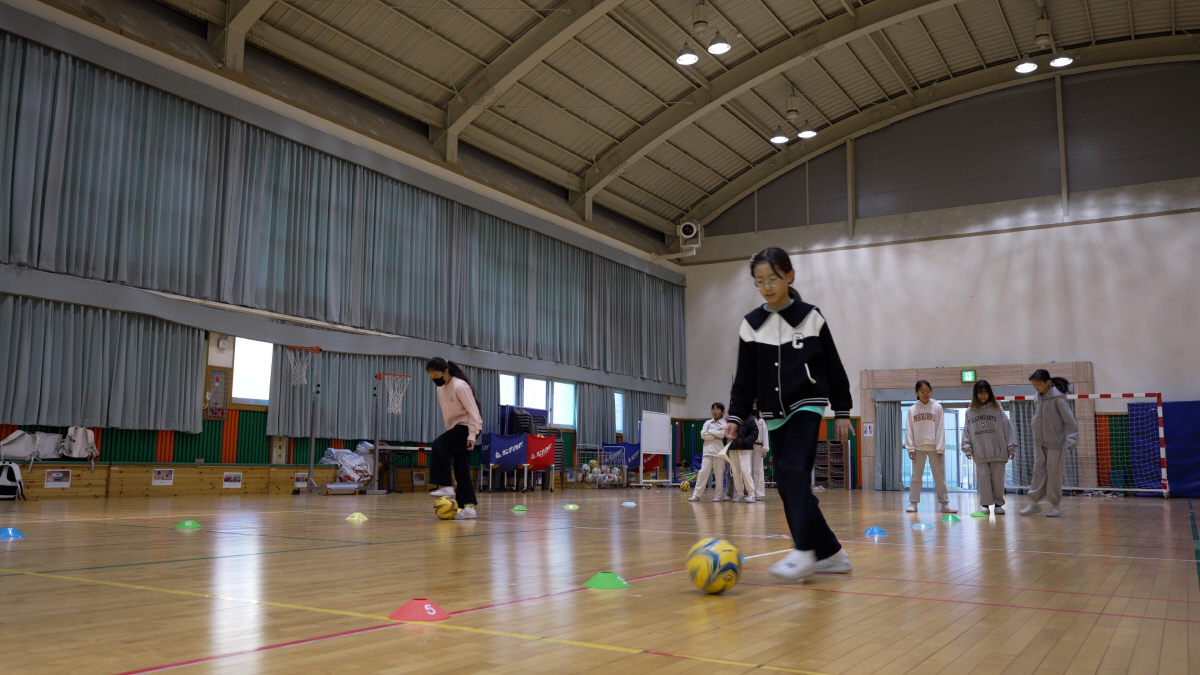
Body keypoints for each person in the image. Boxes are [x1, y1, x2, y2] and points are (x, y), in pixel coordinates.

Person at [725, 247, 854, 580]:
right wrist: (736, 416)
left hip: (807, 406)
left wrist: (842, 410)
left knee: (794, 471)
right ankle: (832, 553)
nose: (767, 286)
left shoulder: (811, 317)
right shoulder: (751, 325)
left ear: (790, 276)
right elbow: (745, 378)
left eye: (773, 278)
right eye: (760, 281)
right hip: (773, 414)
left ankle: (802, 551)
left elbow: (834, 367)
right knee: (786, 483)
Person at [426, 357, 482, 520]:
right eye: (432, 378)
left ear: (446, 371)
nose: (435, 380)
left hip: (467, 426)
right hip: (456, 429)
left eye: (437, 377)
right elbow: (448, 414)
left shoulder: (460, 386)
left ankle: (445, 487)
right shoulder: (441, 389)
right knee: (461, 466)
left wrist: (472, 434)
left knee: (438, 445)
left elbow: (474, 413)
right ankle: (469, 507)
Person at [1020, 370, 1078, 518]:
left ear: (1048, 382)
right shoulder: (1036, 398)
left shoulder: (1058, 399)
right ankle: (1034, 504)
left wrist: (1072, 439)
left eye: (1039, 383)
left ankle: (1055, 506)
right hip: (1039, 442)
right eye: (1034, 384)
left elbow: (1069, 421)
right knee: (1038, 472)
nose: (1037, 387)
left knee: (1054, 475)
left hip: (1055, 443)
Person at [961, 380, 1016, 515]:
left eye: (985, 393)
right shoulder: (969, 411)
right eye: (980, 393)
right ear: (975, 394)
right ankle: (985, 504)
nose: (983, 396)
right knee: (983, 478)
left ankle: (998, 505)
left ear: (990, 393)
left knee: (998, 479)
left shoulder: (998, 408)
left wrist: (1011, 447)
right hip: (980, 451)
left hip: (998, 450)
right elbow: (966, 430)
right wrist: (967, 448)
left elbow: (1007, 428)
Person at [904, 381, 956, 514]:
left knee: (939, 477)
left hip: (934, 448)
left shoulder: (937, 407)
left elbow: (940, 428)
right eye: (922, 392)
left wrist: (940, 448)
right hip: (918, 448)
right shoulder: (912, 409)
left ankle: (944, 504)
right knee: (916, 477)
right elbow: (909, 429)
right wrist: (910, 448)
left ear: (931, 391)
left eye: (927, 391)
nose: (925, 394)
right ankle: (913, 503)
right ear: (917, 393)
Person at [691, 403, 729, 502]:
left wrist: (711, 432)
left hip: (719, 453)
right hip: (707, 452)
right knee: (703, 473)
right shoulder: (708, 422)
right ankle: (696, 495)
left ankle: (718, 496)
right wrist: (715, 434)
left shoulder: (725, 424)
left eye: (717, 409)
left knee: (719, 475)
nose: (715, 411)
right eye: (713, 409)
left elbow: (723, 434)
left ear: (722, 412)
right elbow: (703, 435)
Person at [725, 411, 758, 503]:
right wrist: (727, 442)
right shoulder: (731, 420)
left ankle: (751, 494)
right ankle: (740, 494)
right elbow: (726, 433)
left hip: (744, 449)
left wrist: (744, 442)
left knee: (745, 471)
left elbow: (754, 433)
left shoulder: (749, 420)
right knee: (735, 472)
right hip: (732, 448)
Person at [751, 407, 769, 501]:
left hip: (758, 446)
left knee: (758, 470)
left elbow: (765, 435)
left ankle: (758, 493)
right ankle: (750, 492)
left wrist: (765, 449)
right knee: (748, 470)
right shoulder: (747, 420)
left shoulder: (761, 421)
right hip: (748, 447)